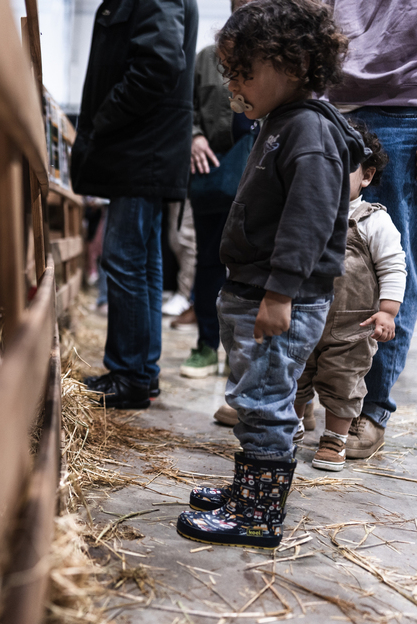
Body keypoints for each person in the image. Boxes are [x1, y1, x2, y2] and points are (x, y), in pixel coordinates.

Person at [177, 0, 367, 549]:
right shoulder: (282, 122)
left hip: (277, 295)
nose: (235, 83)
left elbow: (307, 222)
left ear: (293, 64)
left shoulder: (307, 131)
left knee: (263, 404)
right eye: (231, 72)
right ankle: (246, 492)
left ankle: (257, 515)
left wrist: (280, 293)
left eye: (245, 72)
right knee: (253, 395)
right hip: (254, 288)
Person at [71, 0, 199, 409]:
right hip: (146, 148)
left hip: (142, 146)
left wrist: (103, 118)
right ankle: (141, 373)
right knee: (141, 263)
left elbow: (158, 63)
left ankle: (129, 375)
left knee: (125, 258)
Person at [323, 0, 417, 459]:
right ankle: (291, 399)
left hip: (400, 106)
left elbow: (395, 265)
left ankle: (369, 408)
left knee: (388, 255)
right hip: (327, 101)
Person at [297, 121, 406, 472]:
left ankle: (334, 438)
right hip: (302, 316)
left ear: (367, 176)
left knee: (343, 383)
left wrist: (388, 311)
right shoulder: (306, 213)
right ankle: (291, 425)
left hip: (351, 327)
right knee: (294, 373)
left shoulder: (373, 221)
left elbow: (393, 267)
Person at [180, 0, 256, 378]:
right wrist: (193, 136)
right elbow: (186, 105)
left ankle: (240, 352)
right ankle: (207, 345)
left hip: (259, 174)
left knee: (251, 262)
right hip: (212, 172)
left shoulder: (275, 58)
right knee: (210, 259)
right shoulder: (207, 57)